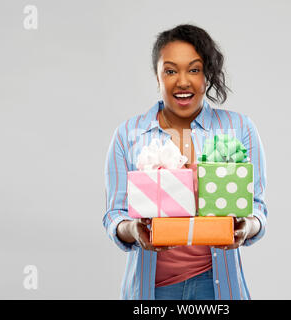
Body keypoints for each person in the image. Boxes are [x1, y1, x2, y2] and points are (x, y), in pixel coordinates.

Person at [103, 24, 268, 300]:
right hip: (152, 289)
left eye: (194, 69)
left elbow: (258, 207)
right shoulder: (128, 135)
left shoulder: (239, 128)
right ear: (157, 77)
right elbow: (114, 215)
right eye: (170, 70)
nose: (182, 81)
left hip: (217, 286)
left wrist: (247, 226)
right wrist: (133, 229)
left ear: (207, 75)